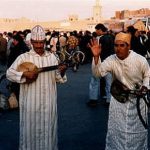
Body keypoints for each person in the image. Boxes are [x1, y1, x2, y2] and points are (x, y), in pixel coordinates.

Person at [6, 25, 67, 150]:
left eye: (41, 42)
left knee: (48, 134)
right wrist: (24, 73)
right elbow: (9, 73)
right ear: (31, 42)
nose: (39, 46)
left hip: (48, 104)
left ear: (45, 42)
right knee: (30, 135)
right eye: (36, 42)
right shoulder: (23, 58)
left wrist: (61, 71)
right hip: (30, 106)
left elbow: (58, 78)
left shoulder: (52, 57)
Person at [88, 32, 150, 149]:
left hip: (138, 103)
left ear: (129, 46)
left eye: (122, 45)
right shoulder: (111, 60)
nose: (118, 49)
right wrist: (96, 57)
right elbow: (97, 74)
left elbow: (148, 75)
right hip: (118, 102)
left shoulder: (140, 60)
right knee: (116, 132)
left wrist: (145, 87)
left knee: (137, 134)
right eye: (116, 45)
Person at [87, 23, 114, 107]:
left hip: (99, 61)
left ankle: (93, 99)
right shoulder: (111, 37)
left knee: (94, 80)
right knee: (109, 82)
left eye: (96, 30)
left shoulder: (100, 39)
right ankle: (109, 100)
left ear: (99, 29)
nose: (96, 32)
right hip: (109, 62)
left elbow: (97, 51)